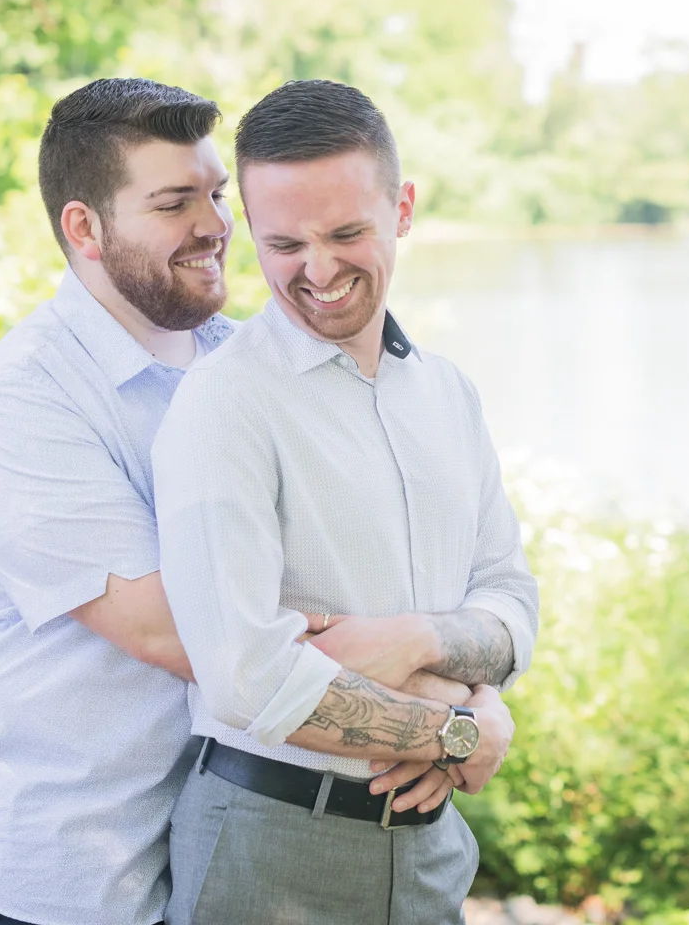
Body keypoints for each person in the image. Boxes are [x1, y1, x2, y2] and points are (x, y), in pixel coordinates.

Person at [0, 76, 521, 925]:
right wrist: (456, 720)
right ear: (84, 229)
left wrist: (448, 668)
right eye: (175, 203)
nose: (215, 224)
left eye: (215, 194)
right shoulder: (28, 398)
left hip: (219, 825)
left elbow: (336, 603)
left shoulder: (245, 359)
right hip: (71, 856)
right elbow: (193, 637)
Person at [152, 79, 541, 925]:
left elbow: (512, 599)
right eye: (284, 243)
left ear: (402, 209)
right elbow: (244, 676)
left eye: (346, 233)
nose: (318, 270)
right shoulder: (224, 404)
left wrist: (414, 639)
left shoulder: (448, 392)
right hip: (268, 850)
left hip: (431, 850)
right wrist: (458, 731)